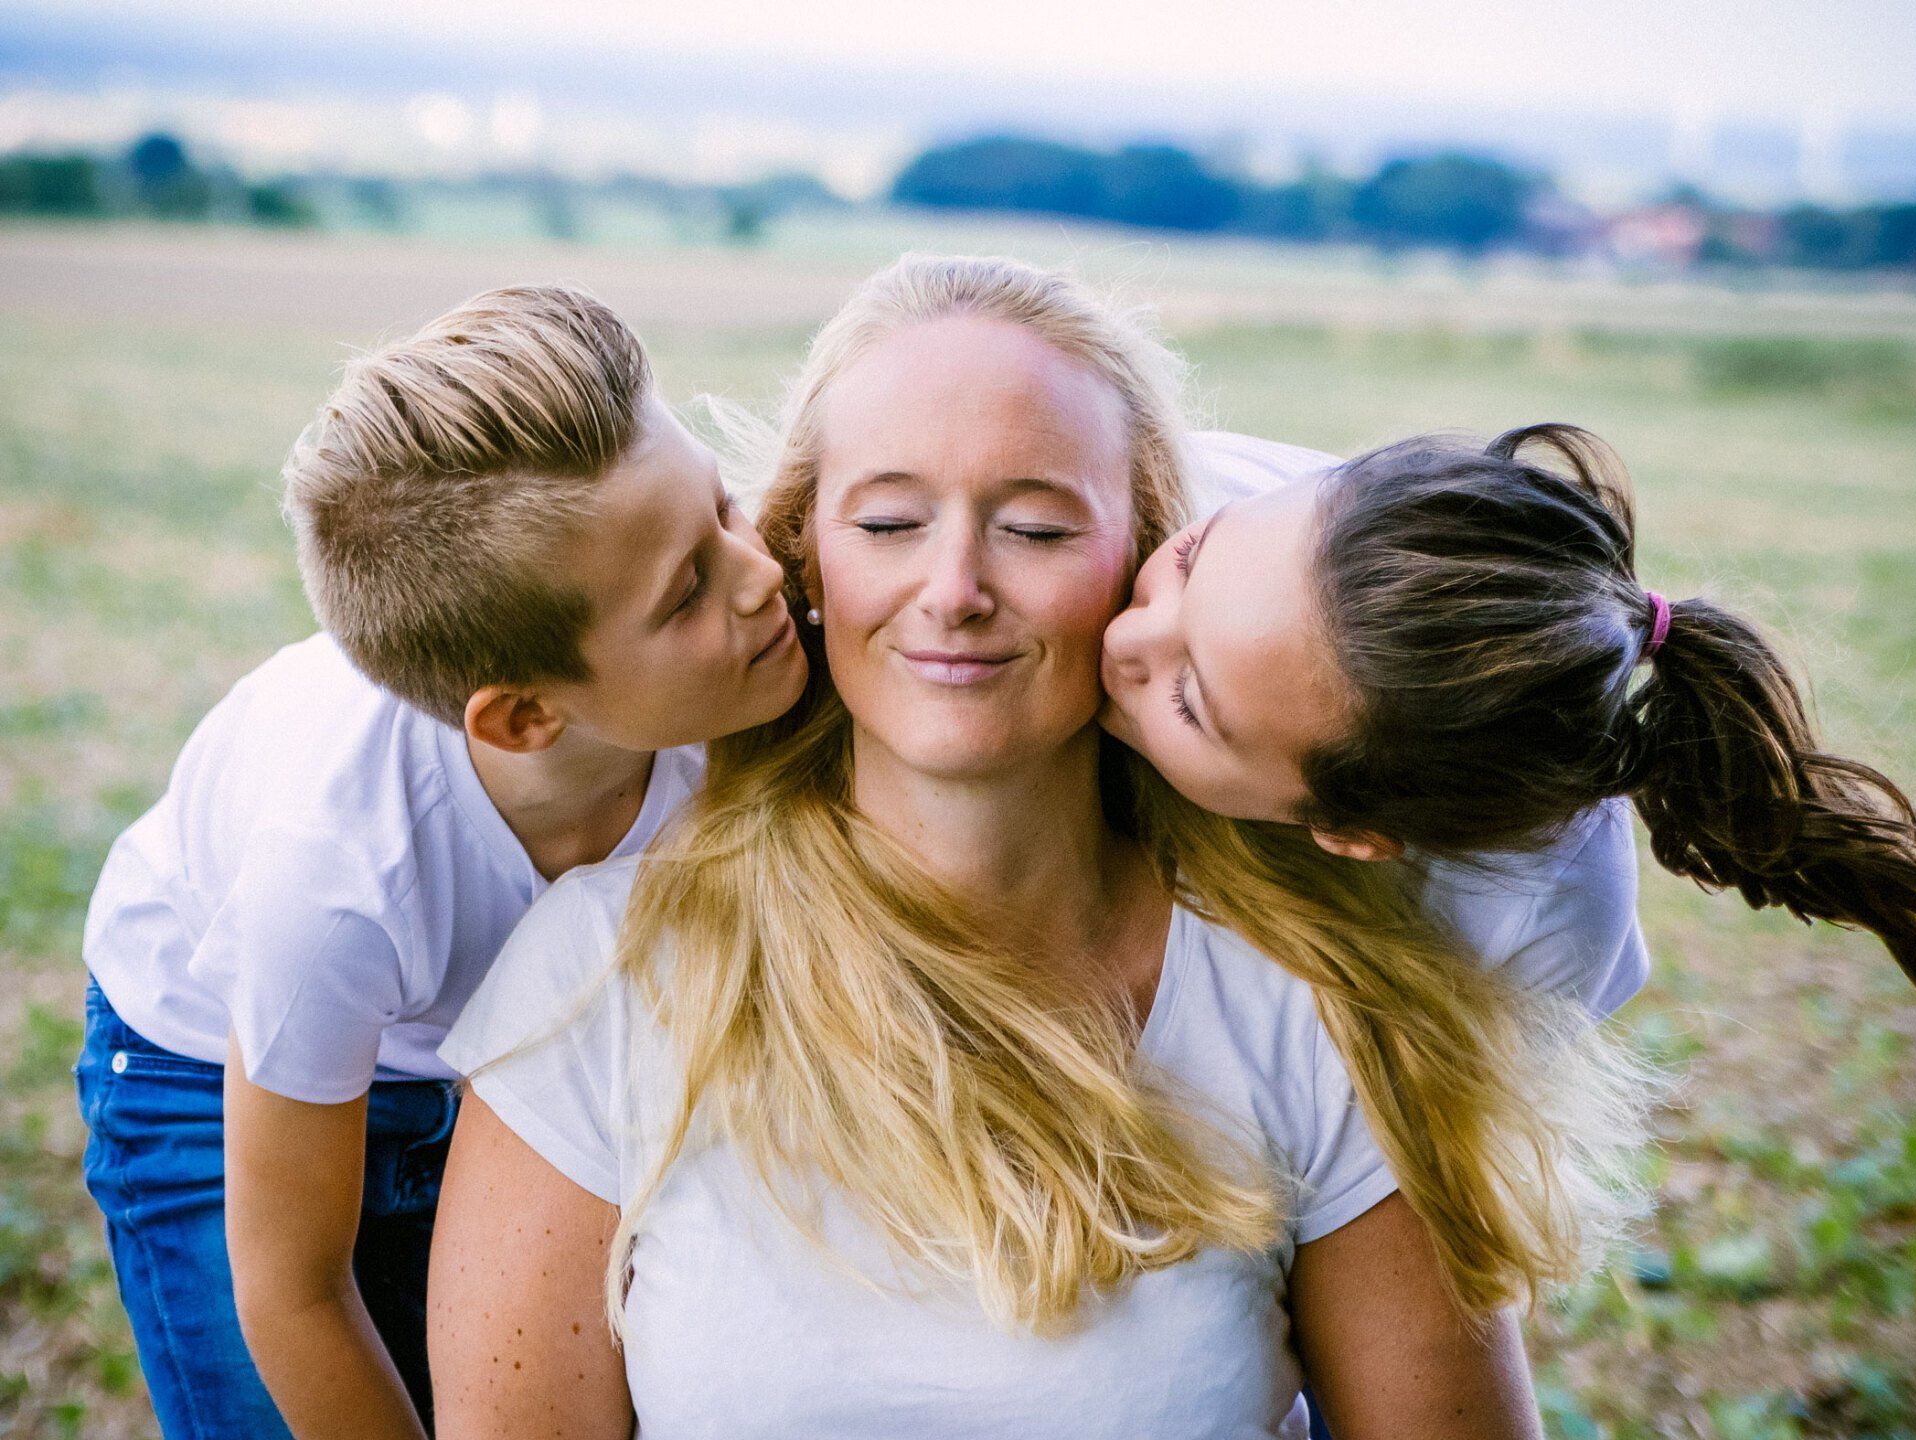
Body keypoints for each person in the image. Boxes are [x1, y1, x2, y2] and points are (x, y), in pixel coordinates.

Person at [429, 255, 1646, 1439]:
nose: (954, 588)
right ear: (800, 552)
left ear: (1149, 556)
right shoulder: (604, 978)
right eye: (892, 520)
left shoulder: (1310, 1008)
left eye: (1039, 530)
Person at [73, 285, 807, 1440]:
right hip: (205, 1073)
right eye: (687, 592)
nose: (760, 575)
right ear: (522, 718)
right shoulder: (334, 886)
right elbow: (293, 1288)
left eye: (722, 508)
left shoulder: (739, 668)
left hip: (485, 1060)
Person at [1102, 426, 1916, 986]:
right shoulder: (1188, 494)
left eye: (1189, 700)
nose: (1123, 638)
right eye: (1186, 560)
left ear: (1353, 834)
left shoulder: (1533, 924)